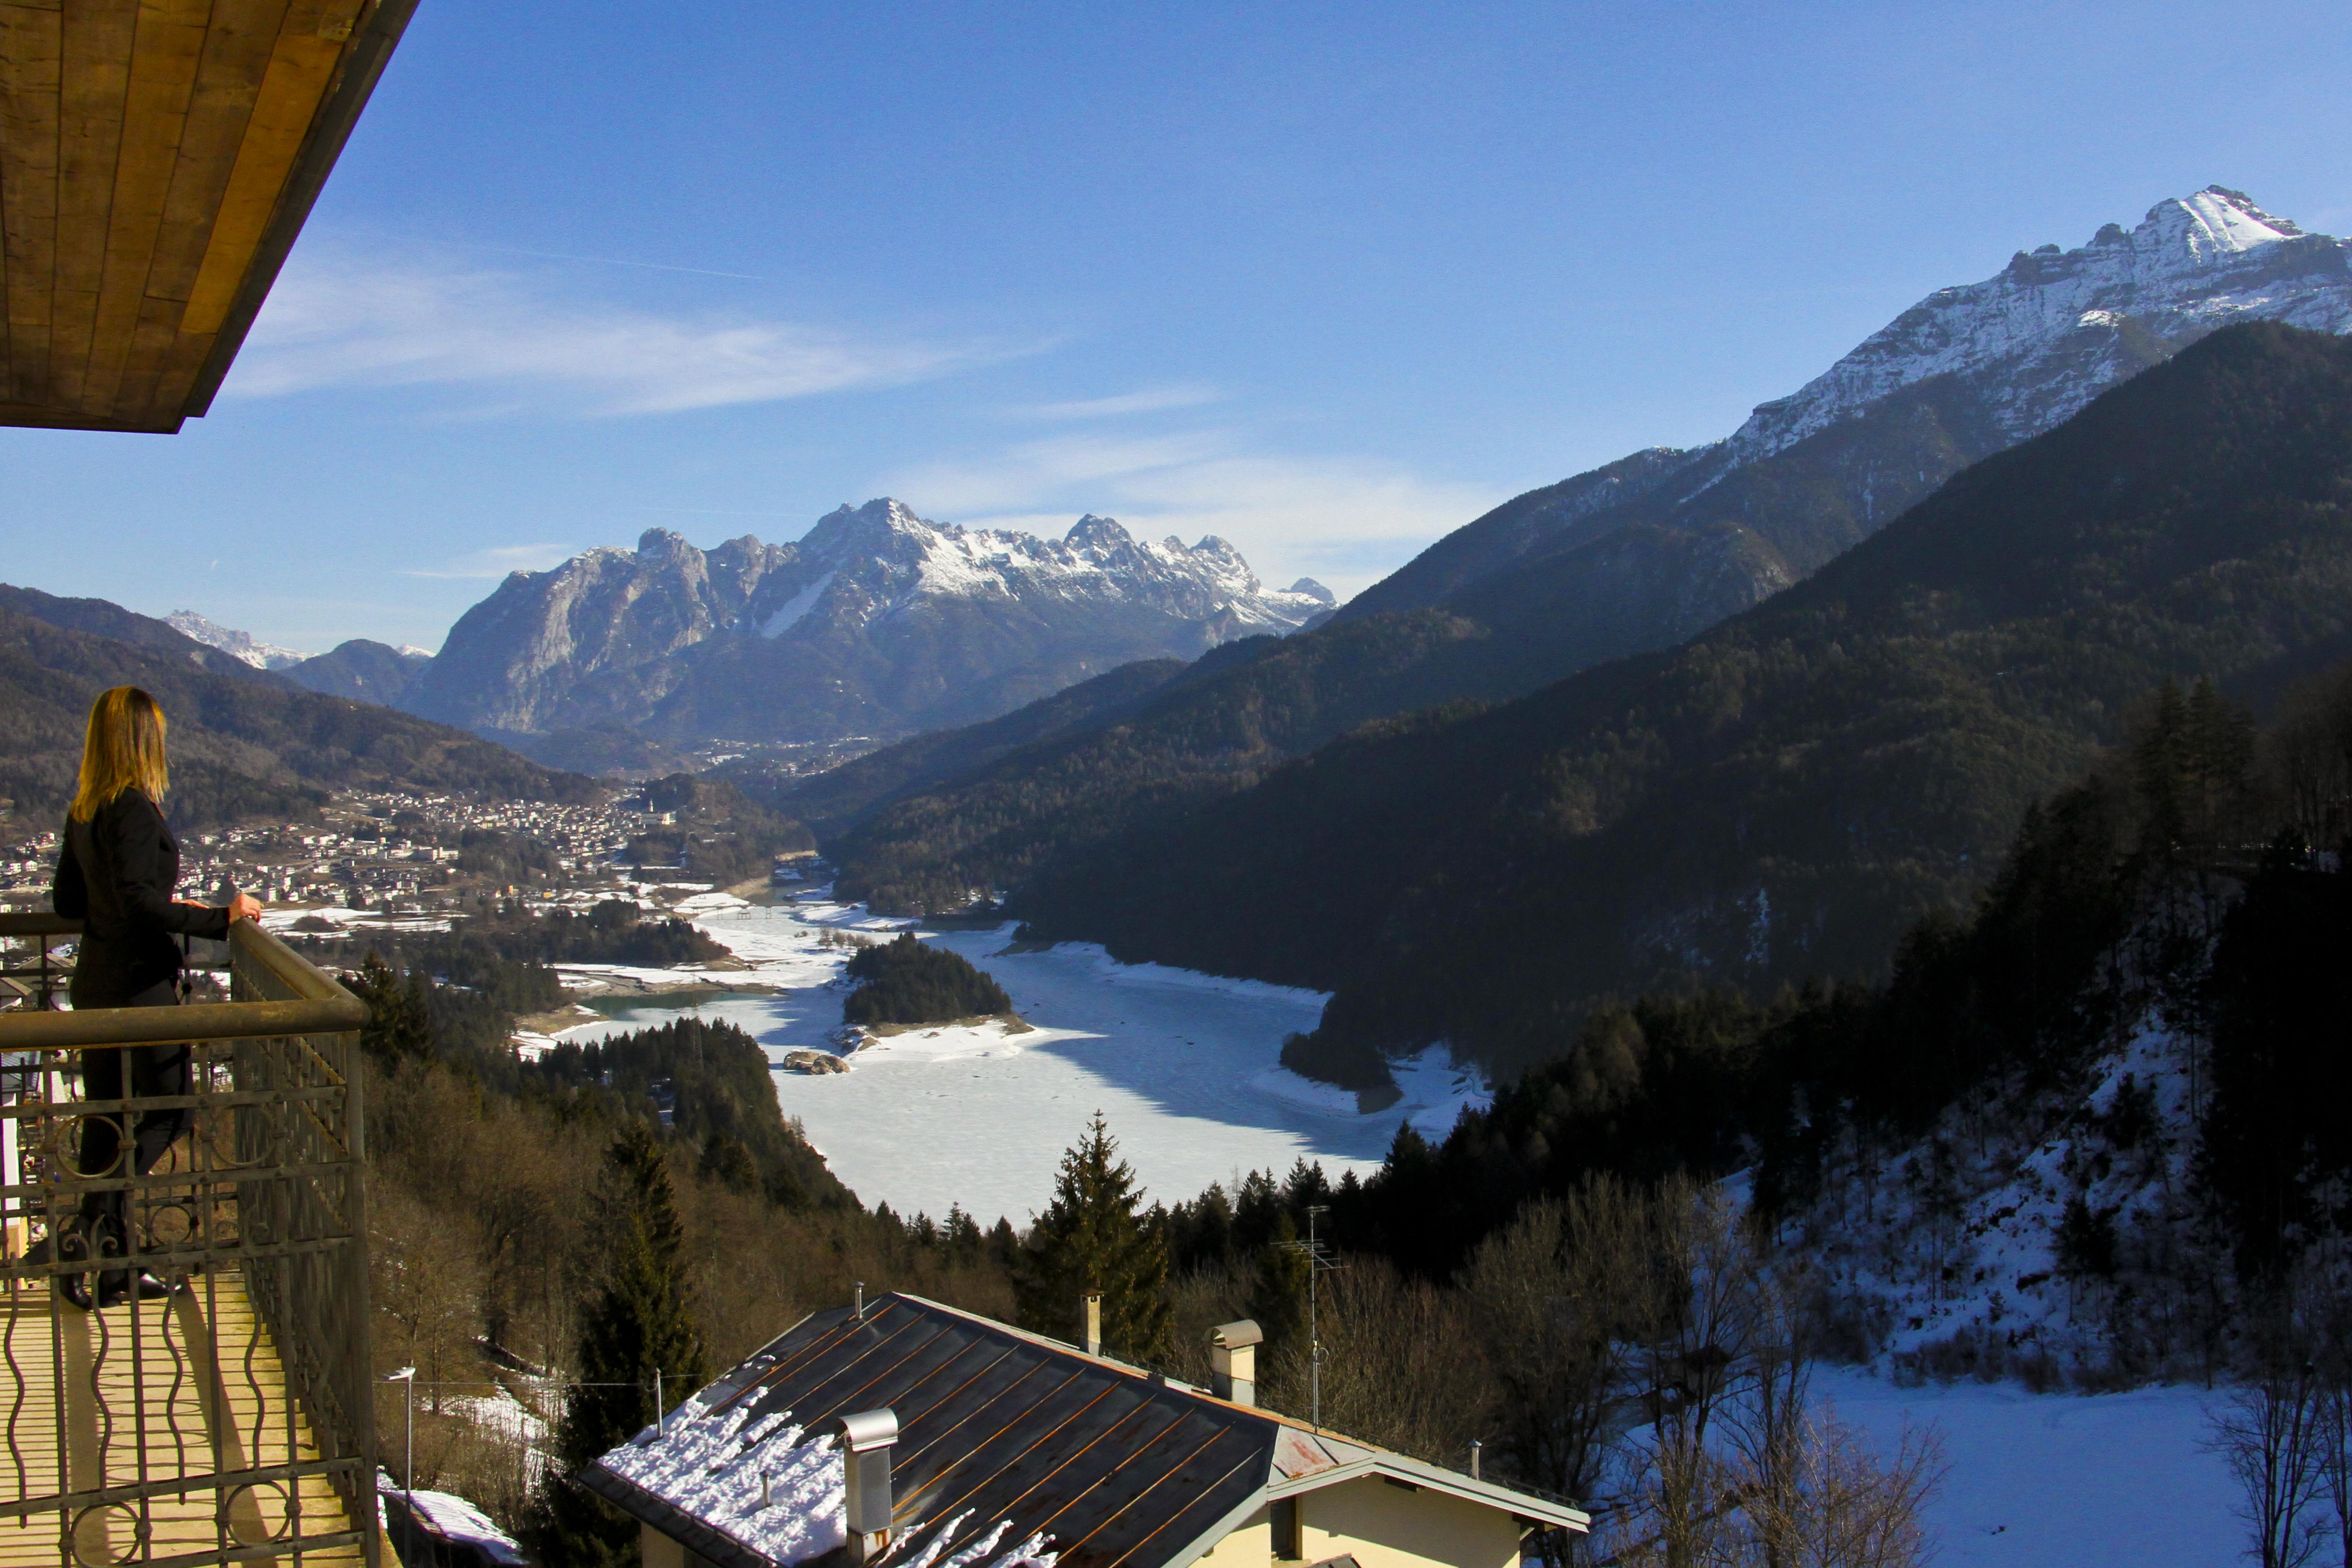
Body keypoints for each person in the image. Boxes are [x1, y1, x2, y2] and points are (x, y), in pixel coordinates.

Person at [49, 686, 263, 1309]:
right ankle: (91, 1228)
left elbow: (69, 903)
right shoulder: (135, 811)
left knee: (107, 1118)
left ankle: (109, 1262)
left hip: (94, 985)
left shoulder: (85, 810)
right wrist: (220, 918)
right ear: (146, 740)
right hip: (140, 986)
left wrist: (152, 906)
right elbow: (143, 904)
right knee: (171, 1113)